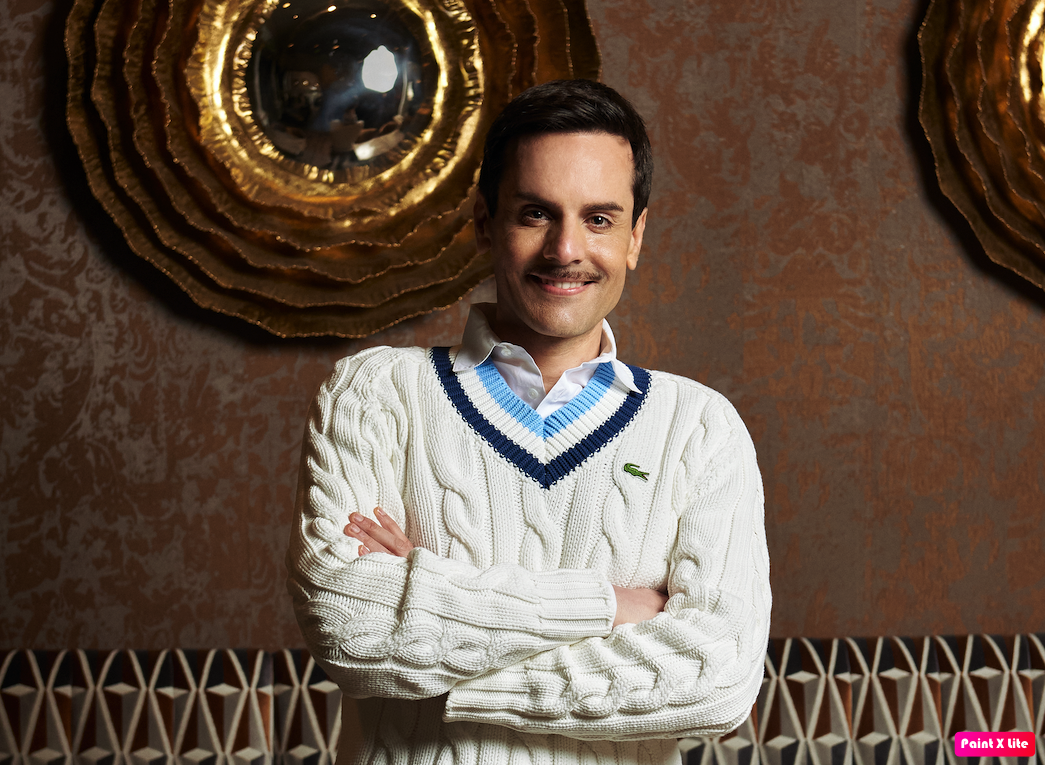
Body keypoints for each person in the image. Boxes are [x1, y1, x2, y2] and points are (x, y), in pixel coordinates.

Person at [286, 79, 771, 765]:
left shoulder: (698, 428)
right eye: (536, 214)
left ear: (635, 237)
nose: (565, 249)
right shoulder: (375, 393)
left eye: (598, 219)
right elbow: (349, 627)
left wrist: (440, 631)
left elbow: (717, 680)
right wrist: (610, 607)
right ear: (485, 223)